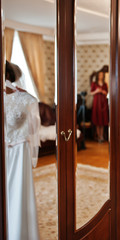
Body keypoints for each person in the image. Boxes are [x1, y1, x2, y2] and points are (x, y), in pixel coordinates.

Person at [4, 60, 41, 240]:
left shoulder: (27, 100)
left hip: (19, 153)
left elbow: (35, 130)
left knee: (18, 196)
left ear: (8, 76)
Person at [90, 71, 109, 143]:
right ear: (97, 76)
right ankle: (99, 136)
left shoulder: (105, 84)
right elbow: (91, 93)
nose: (100, 76)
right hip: (96, 103)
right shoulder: (94, 84)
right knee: (98, 119)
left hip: (103, 103)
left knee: (103, 119)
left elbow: (107, 93)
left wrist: (104, 92)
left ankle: (102, 136)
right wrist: (96, 91)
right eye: (99, 75)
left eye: (102, 75)